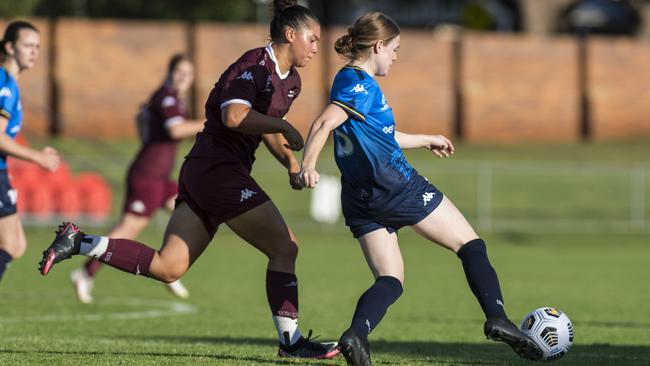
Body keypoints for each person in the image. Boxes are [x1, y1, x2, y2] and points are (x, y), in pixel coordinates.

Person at [39, 0, 339, 359]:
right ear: (291, 34)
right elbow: (234, 116)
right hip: (217, 170)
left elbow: (262, 126)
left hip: (208, 172)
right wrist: (285, 125)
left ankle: (79, 242)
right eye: (313, 39)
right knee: (285, 247)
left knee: (169, 267)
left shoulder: (292, 82)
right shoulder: (255, 65)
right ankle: (290, 344)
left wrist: (290, 162)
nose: (317, 47)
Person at [298, 12, 543, 366]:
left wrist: (425, 138)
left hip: (360, 198)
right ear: (378, 46)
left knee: (391, 279)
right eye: (395, 49)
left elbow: (381, 136)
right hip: (398, 188)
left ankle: (356, 335)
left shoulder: (353, 83)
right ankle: (497, 317)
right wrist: (308, 165)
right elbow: (324, 121)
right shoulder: (359, 86)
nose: (396, 57)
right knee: (470, 245)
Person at [70, 54, 204, 304]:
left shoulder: (175, 101)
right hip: (147, 176)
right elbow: (175, 129)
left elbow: (144, 120)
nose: (184, 77)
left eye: (189, 73)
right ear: (170, 72)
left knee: (191, 210)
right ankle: (84, 273)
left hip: (161, 178)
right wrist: (211, 124)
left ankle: (171, 267)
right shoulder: (166, 97)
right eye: (179, 72)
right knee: (126, 232)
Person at [0, 21, 60, 284]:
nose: (34, 52)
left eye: (37, 47)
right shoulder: (5, 83)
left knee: (18, 244)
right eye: (28, 45)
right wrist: (38, 158)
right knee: (11, 244)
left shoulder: (8, 82)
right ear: (10, 47)